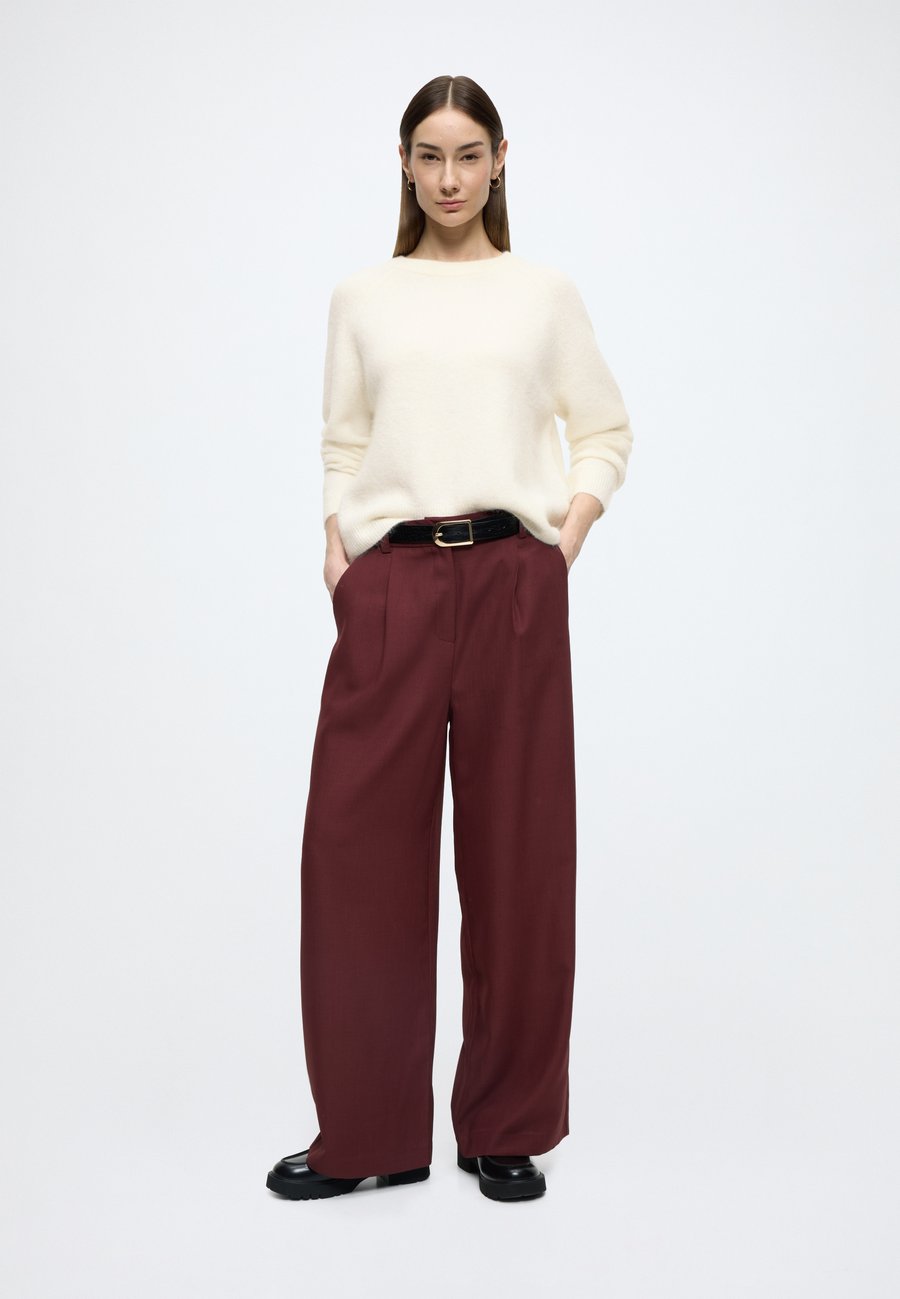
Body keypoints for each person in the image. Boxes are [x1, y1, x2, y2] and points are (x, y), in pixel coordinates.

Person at [265, 74, 633, 1203]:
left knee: (520, 853)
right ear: (404, 163)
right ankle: (367, 1134)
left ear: (501, 159)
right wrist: (340, 547)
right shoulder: (364, 296)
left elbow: (604, 429)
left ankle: (504, 1125)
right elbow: (344, 438)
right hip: (392, 582)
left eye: (470, 154)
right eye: (430, 155)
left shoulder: (542, 294)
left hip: (515, 576)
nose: (450, 177)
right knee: (355, 856)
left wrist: (566, 535)